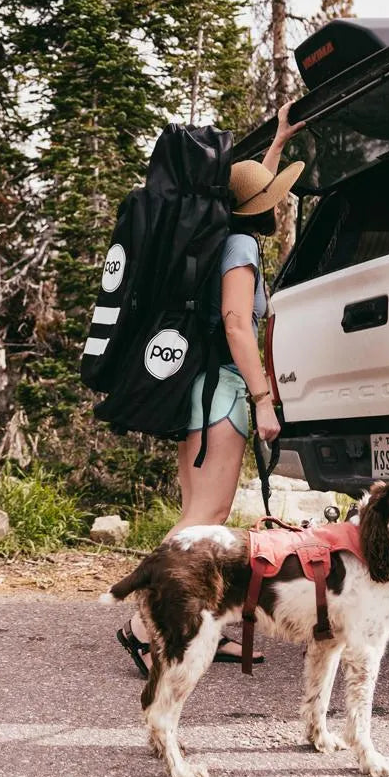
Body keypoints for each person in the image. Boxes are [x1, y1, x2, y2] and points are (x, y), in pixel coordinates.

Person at [116, 101, 307, 677]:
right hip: (223, 392)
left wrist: (277, 140)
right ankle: (144, 628)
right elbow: (236, 324)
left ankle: (190, 625)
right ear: (260, 209)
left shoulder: (218, 236)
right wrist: (264, 398)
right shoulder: (241, 248)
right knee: (207, 516)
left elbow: (250, 191)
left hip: (194, 390)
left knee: (197, 512)